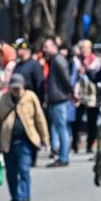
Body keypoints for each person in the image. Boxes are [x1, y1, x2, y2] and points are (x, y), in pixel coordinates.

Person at [0, 75, 49, 201]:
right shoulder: (3, 99)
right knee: (11, 173)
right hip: (7, 141)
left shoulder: (30, 97)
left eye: (18, 87)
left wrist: (45, 139)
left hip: (26, 141)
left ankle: (23, 198)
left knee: (24, 170)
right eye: (13, 87)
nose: (16, 90)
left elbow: (39, 118)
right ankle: (15, 200)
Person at [42, 37, 72, 167]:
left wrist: (70, 92)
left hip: (59, 99)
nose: (44, 49)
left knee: (61, 128)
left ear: (54, 47)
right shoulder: (53, 60)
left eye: (46, 46)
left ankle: (64, 157)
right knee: (58, 127)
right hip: (55, 99)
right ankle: (59, 154)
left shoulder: (58, 60)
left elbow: (65, 79)